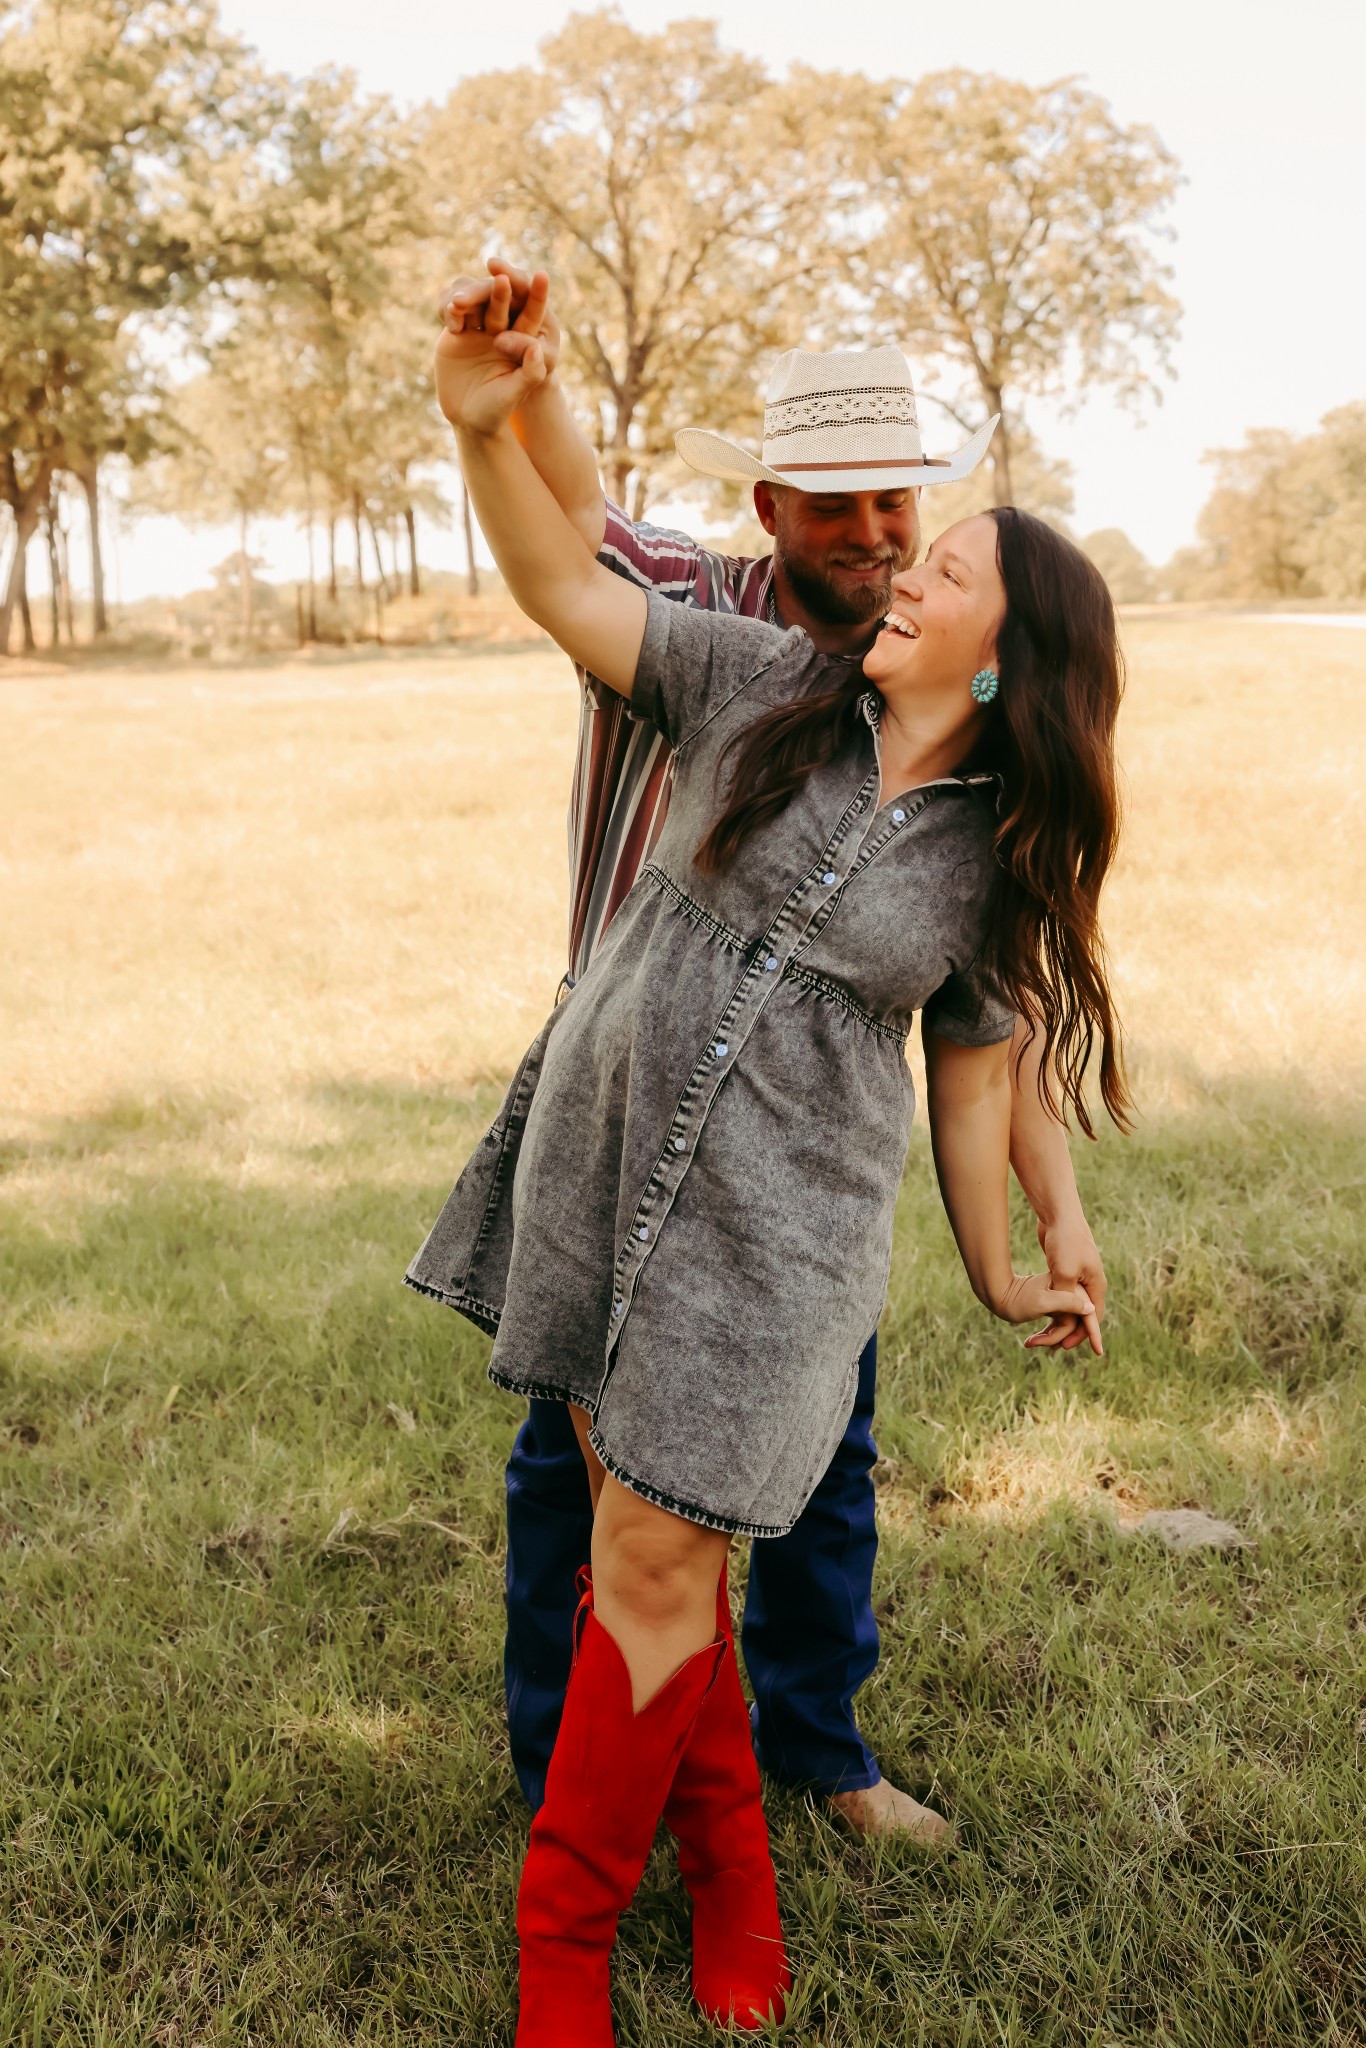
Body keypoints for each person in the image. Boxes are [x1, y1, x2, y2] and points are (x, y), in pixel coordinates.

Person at [408, 310, 1128, 2040]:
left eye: (933, 551)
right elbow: (566, 579)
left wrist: (1011, 1255)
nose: (890, 562)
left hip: (781, 1229)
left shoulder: (996, 856)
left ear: (996, 656)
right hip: (601, 1158)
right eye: (864, 521)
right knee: (645, 1550)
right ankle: (726, 1858)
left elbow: (976, 1076)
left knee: (670, 1560)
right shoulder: (746, 678)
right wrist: (479, 425)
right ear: (780, 503)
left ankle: (563, 1945)